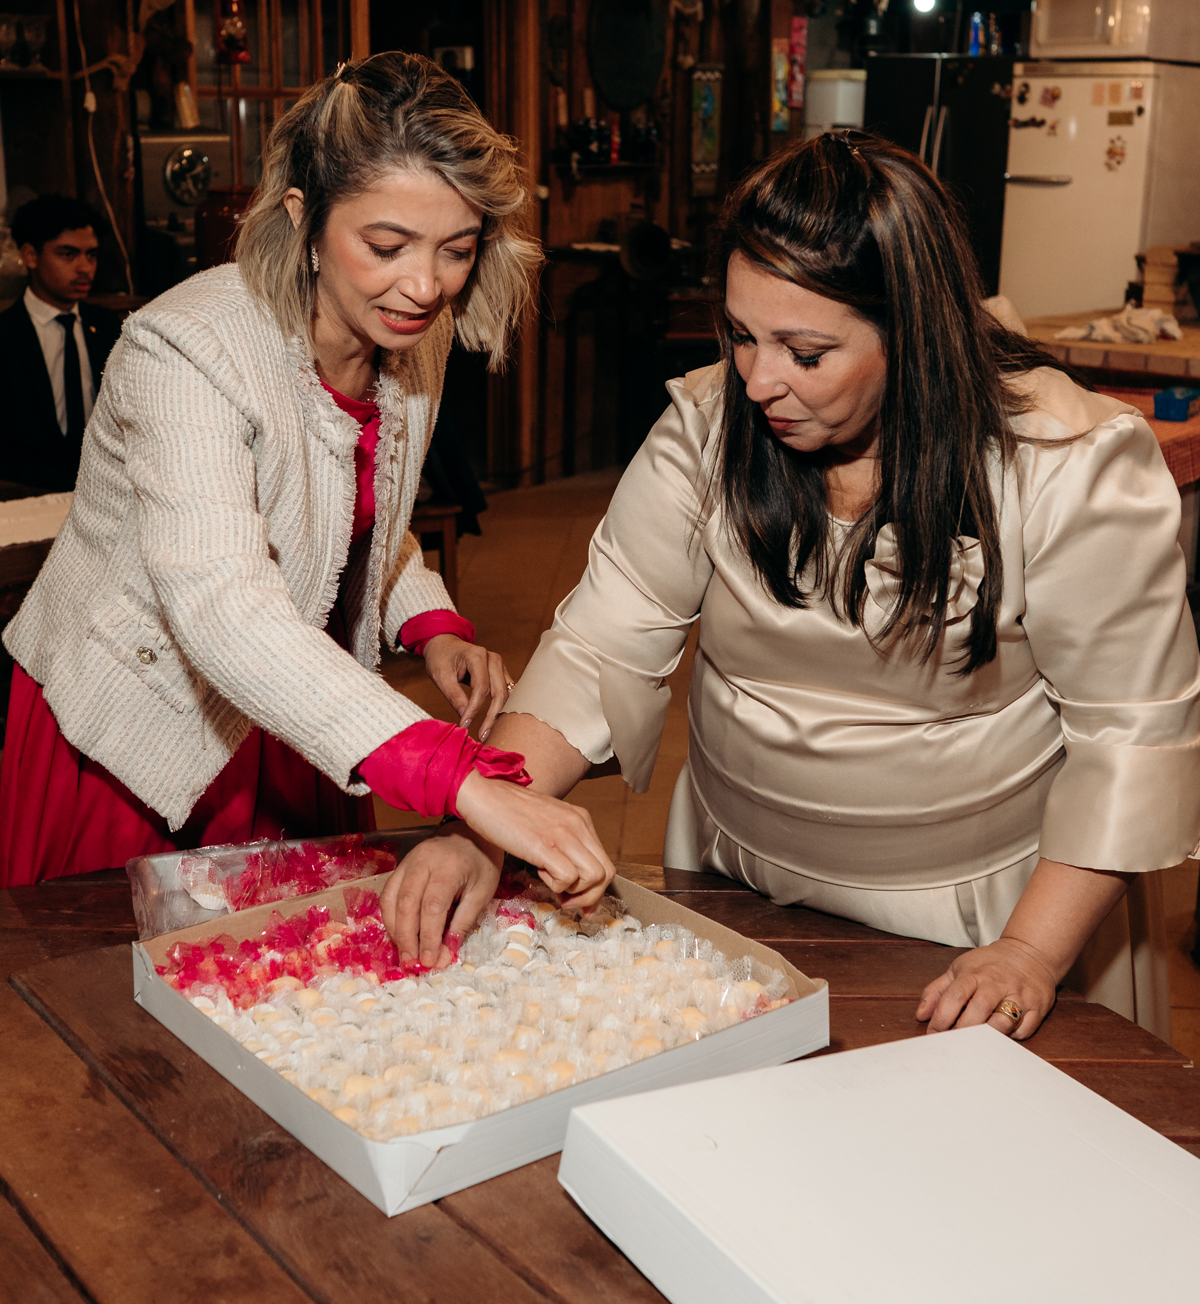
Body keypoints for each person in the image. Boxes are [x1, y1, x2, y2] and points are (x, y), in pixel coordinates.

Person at [380, 131, 1200, 1041]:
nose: (757, 379)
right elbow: (598, 644)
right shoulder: (705, 428)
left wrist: (1032, 954)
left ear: (913, 334)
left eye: (806, 352)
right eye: (739, 334)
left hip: (987, 917)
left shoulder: (1066, 466)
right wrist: (487, 819)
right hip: (742, 882)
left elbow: (1132, 736)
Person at [0, 52, 612, 915]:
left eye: (457, 249)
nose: (425, 285)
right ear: (304, 216)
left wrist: (428, 622)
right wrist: (458, 775)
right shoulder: (184, 347)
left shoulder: (409, 331)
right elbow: (222, 602)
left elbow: (343, 503)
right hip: (138, 728)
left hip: (295, 711)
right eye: (386, 245)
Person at [0, 194, 123, 491]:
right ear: (30, 256)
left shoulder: (110, 328)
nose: (85, 268)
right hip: (24, 490)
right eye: (68, 254)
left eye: (91, 255)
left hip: (105, 486)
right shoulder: (5, 335)